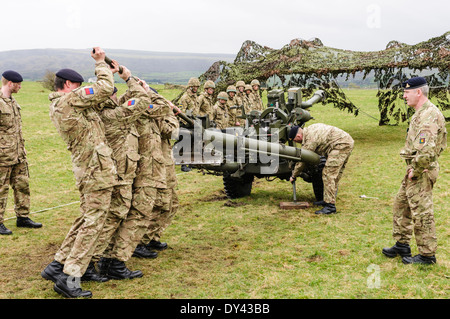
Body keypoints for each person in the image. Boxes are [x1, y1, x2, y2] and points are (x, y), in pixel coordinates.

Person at [42, 47, 117, 298]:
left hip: (89, 168)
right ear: (69, 85)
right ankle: (70, 275)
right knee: (93, 223)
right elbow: (104, 89)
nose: (80, 88)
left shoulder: (67, 103)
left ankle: (57, 265)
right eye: (78, 84)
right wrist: (100, 63)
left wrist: (111, 71)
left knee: (87, 217)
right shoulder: (70, 99)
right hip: (95, 170)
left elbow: (105, 97)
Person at [90, 61, 155, 278]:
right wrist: (128, 78)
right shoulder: (113, 116)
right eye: (111, 94)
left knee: (113, 218)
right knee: (111, 219)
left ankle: (108, 261)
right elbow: (142, 101)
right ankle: (92, 261)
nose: (115, 96)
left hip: (121, 174)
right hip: (118, 176)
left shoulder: (107, 112)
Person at [382, 77, 447, 265]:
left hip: (422, 170)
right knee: (401, 205)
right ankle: (402, 244)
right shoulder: (421, 113)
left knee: (422, 212)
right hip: (416, 167)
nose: (404, 96)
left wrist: (416, 170)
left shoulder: (429, 115)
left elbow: (426, 150)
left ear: (418, 92)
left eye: (406, 92)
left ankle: (427, 255)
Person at [136, 96, 180, 255]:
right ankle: (141, 241)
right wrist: (170, 114)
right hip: (155, 169)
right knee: (159, 204)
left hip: (165, 167)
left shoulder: (157, 118)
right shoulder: (152, 117)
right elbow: (172, 132)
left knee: (171, 204)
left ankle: (152, 236)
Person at [0, 70, 42, 235]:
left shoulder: (13, 102)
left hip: (18, 154)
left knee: (22, 185)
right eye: (18, 84)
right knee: (1, 190)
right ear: (10, 83)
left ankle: (23, 217)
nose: (20, 87)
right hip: (3, 156)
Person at [289, 123, 354, 214]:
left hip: (340, 145)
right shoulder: (309, 130)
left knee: (328, 174)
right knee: (335, 175)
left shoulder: (310, 139)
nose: (296, 143)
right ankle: (327, 200)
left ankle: (330, 207)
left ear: (299, 136)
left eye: (296, 140)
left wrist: (293, 175)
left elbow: (302, 160)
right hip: (345, 142)